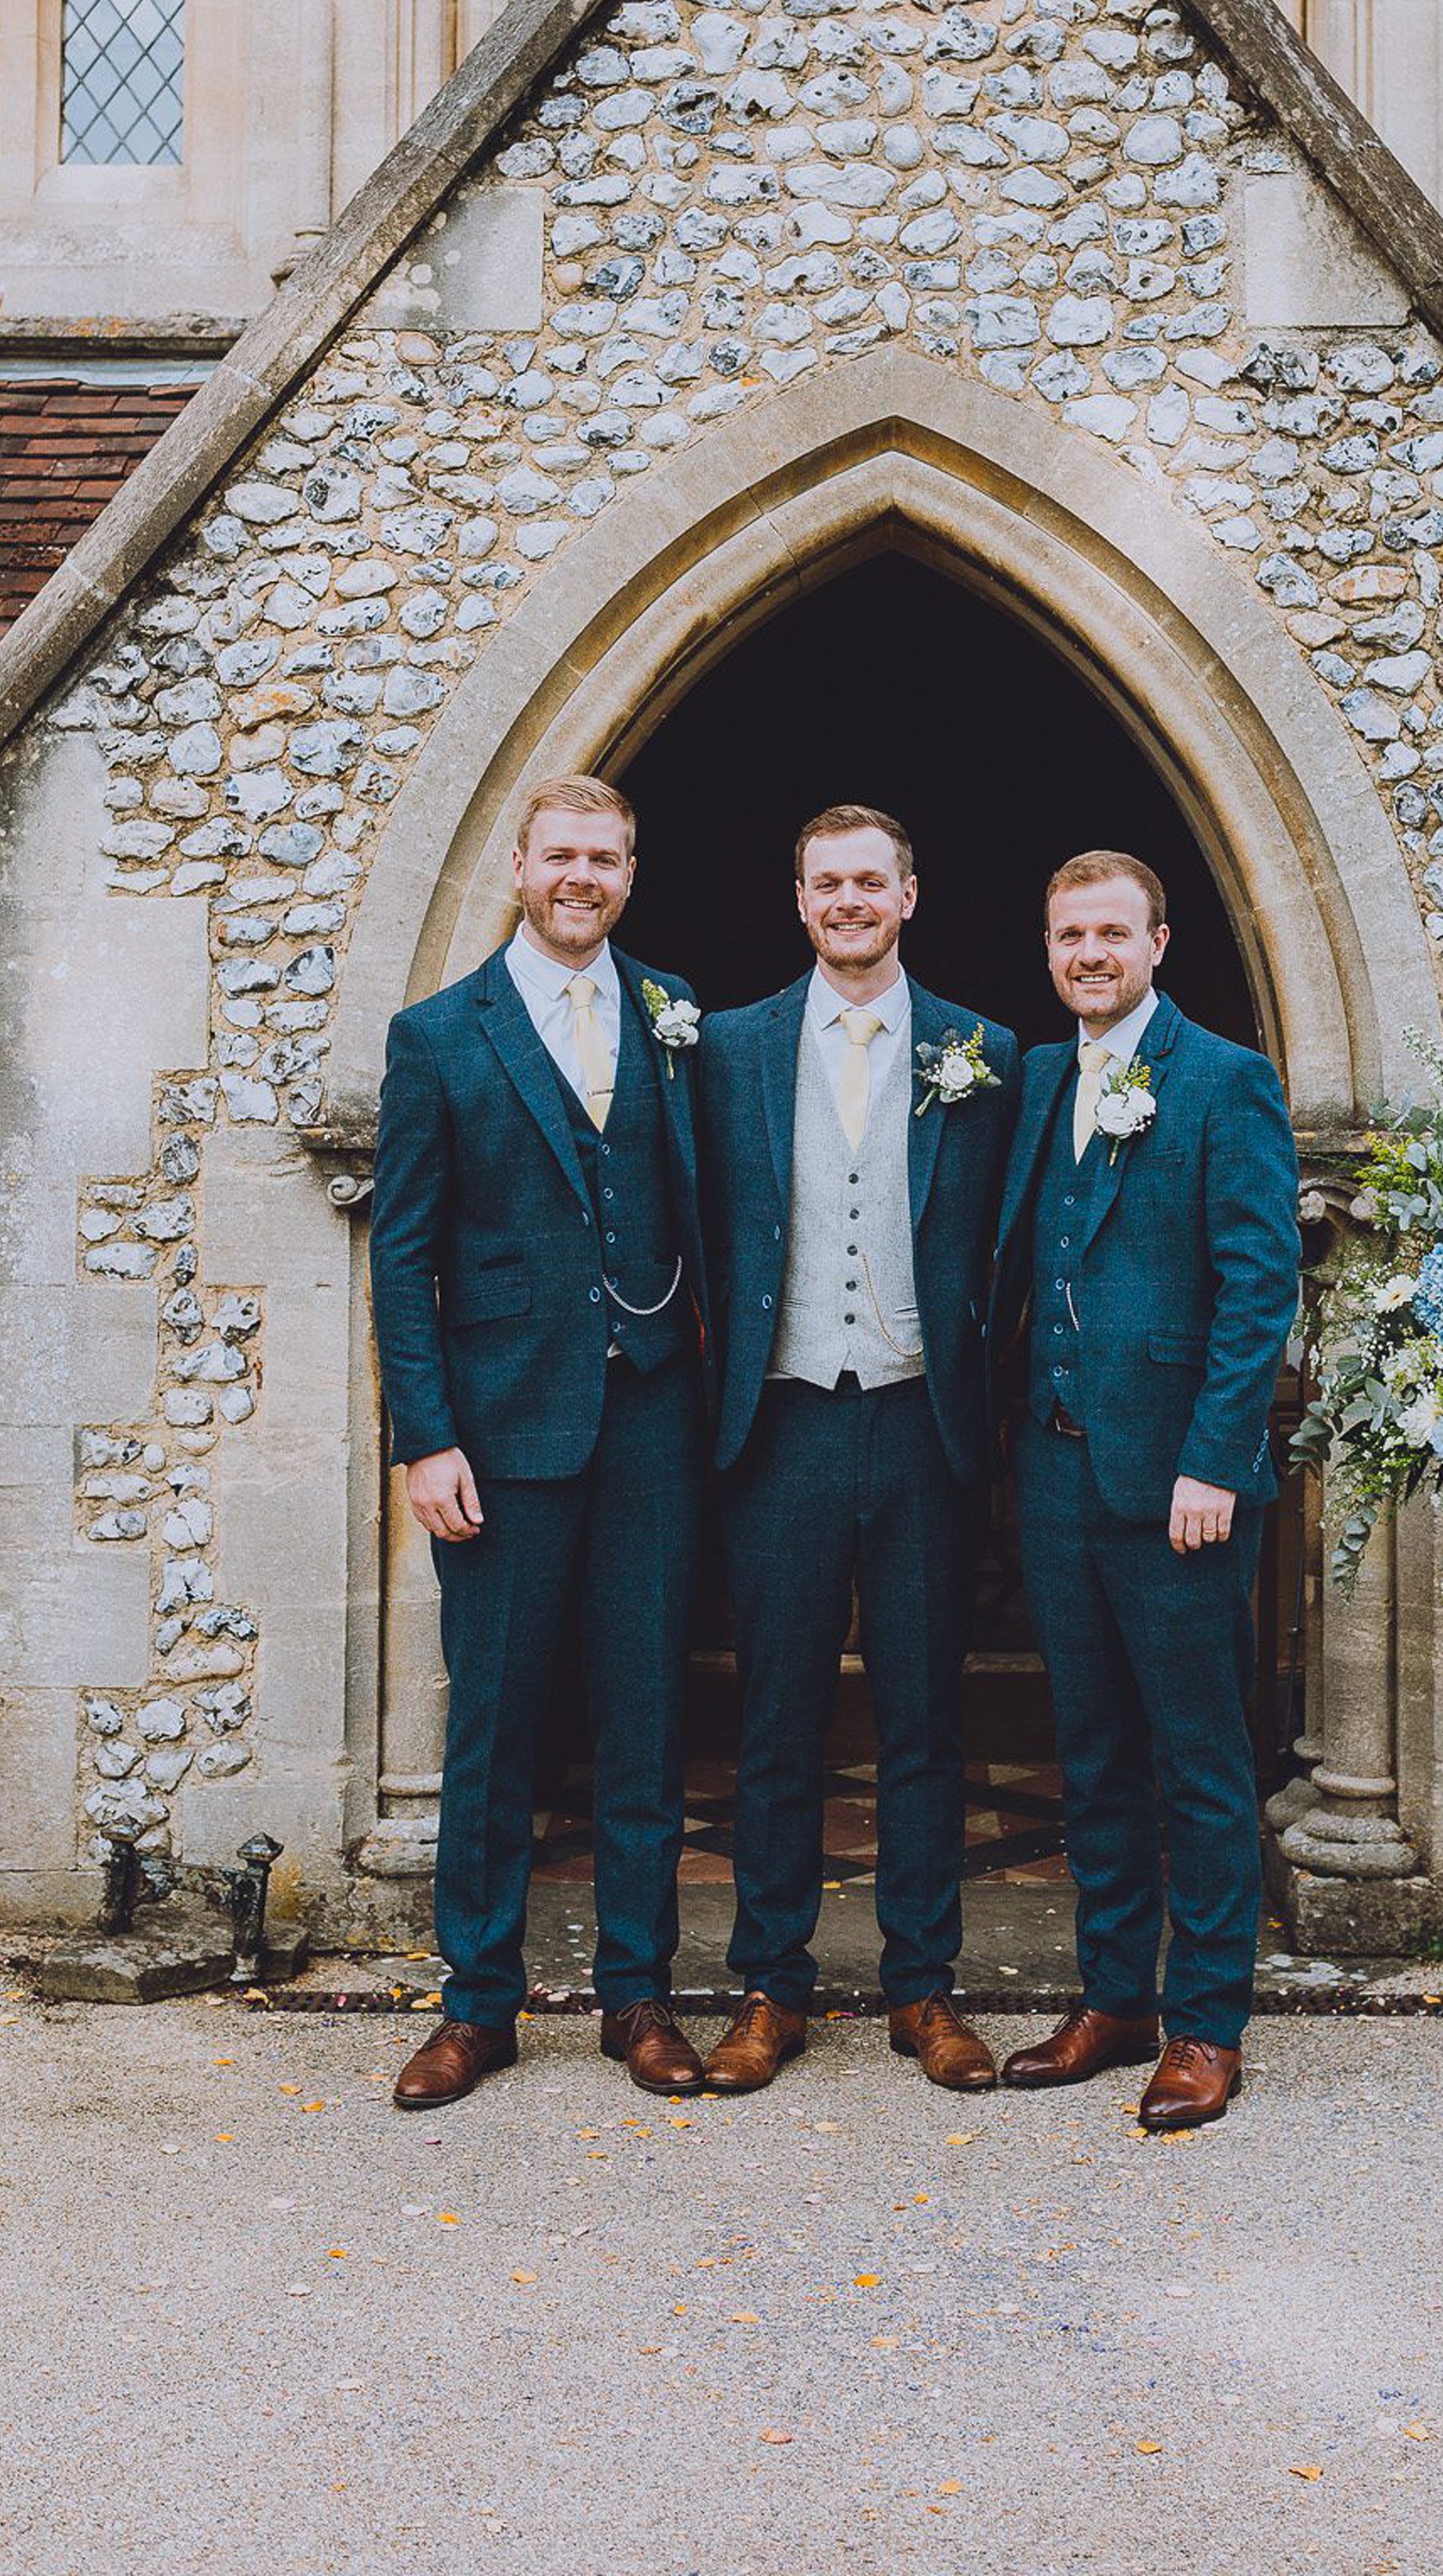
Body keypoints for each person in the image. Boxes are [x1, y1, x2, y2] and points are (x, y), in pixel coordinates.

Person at [368, 775, 711, 2106]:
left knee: (646, 1718)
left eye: (608, 856)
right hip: (501, 1437)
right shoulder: (440, 1036)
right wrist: (424, 1437)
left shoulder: (678, 1017)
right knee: (496, 1728)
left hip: (654, 1428)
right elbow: (402, 1259)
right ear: (519, 865)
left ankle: (639, 1996)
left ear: (632, 870)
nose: (584, 875)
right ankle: (478, 2001)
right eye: (562, 854)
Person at [693, 805, 1017, 2096]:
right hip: (780, 1420)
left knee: (925, 1717)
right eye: (826, 881)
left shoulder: (985, 1052)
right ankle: (771, 1985)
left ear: (909, 896)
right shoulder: (727, 1048)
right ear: (799, 897)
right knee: (774, 1718)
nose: (848, 900)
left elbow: (1013, 1222)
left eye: (869, 882)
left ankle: (922, 1987)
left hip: (919, 1414)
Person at [993, 852, 1301, 2130]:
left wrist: (1214, 1460)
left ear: (1159, 942)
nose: (1089, 953)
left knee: (1199, 1757)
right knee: (1095, 1752)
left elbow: (1258, 1287)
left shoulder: (1227, 1081)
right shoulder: (1038, 1079)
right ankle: (1116, 1994)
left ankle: (1207, 2023)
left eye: (1112, 932)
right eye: (1069, 934)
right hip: (1057, 1470)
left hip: (1180, 1484)